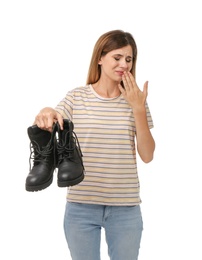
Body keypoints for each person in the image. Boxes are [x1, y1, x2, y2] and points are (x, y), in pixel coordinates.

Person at [34, 29, 155, 260]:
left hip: (125, 207)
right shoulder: (77, 97)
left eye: (129, 59)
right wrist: (46, 111)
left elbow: (147, 155)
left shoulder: (135, 101)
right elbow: (55, 116)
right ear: (100, 58)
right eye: (117, 57)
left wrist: (138, 108)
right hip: (81, 205)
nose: (124, 65)